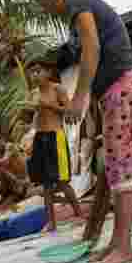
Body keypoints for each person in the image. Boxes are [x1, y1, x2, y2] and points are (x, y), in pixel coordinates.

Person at [27, 0, 132, 263]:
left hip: (124, 88)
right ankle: (116, 243)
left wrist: (79, 97)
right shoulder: (76, 11)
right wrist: (92, 105)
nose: (46, 11)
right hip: (113, 92)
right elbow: (92, 57)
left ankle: (125, 248)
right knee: (113, 166)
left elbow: (92, 48)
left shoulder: (78, 3)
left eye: (43, 4)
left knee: (121, 169)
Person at [25, 59, 84, 232]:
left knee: (63, 181)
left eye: (38, 71)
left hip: (55, 136)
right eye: (32, 72)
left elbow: (69, 109)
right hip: (39, 137)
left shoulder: (57, 88)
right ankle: (51, 222)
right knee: (46, 184)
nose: (35, 75)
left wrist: (48, 105)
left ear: (48, 73)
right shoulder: (33, 93)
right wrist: (28, 111)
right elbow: (29, 118)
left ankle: (79, 213)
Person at [0, 130, 34, 206]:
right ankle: (6, 193)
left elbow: (5, 161)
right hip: (14, 181)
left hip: (23, 180)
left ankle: (19, 190)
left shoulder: (9, 146)